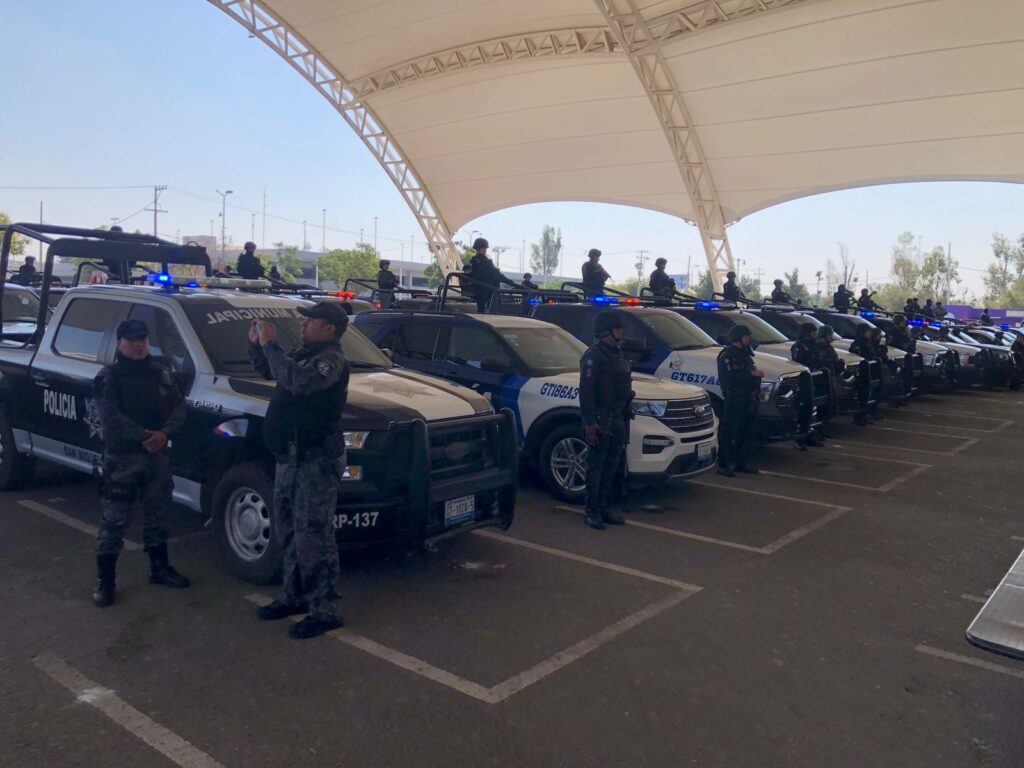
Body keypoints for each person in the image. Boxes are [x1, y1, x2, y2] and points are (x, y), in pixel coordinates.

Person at [248, 301, 350, 639]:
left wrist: (271, 345)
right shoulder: (304, 353)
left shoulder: (330, 360)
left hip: (315, 460)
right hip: (289, 459)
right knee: (289, 530)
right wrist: (257, 346)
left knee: (314, 536)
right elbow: (272, 372)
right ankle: (293, 595)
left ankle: (325, 609)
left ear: (329, 329)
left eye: (310, 320)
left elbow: (300, 382)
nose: (303, 325)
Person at [92, 319, 189, 607]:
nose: (139, 345)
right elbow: (109, 416)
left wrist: (164, 434)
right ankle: (105, 582)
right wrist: (145, 436)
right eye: (132, 340)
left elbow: (179, 406)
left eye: (143, 340)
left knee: (158, 513)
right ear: (120, 343)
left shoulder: (161, 372)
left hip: (156, 456)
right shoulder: (109, 376)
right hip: (122, 459)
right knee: (114, 521)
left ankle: (160, 569)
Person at [579, 311, 632, 530]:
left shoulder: (617, 354)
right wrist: (589, 421)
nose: (621, 332)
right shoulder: (594, 355)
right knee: (596, 466)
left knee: (612, 466)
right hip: (601, 418)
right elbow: (586, 390)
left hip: (618, 417)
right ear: (606, 331)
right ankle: (591, 511)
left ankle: (603, 508)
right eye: (617, 329)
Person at [716, 324, 764, 477]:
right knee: (729, 431)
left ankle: (740, 462)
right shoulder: (727, 355)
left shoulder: (745, 354)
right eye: (746, 336)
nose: (748, 339)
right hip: (734, 398)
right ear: (738, 338)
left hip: (748, 398)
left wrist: (757, 387)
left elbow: (751, 371)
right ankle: (723, 463)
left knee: (745, 431)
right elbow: (730, 378)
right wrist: (752, 376)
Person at [788, 323, 825, 448]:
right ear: (807, 333)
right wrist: (811, 367)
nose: (815, 334)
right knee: (803, 410)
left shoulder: (813, 345)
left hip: (814, 380)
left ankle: (809, 435)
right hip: (804, 382)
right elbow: (798, 362)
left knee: (812, 410)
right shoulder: (799, 346)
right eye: (813, 332)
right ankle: (799, 439)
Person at [465, 237, 514, 313]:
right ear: (478, 249)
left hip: (485, 289)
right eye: (483, 248)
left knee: (484, 307)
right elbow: (495, 274)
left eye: (485, 249)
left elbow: (495, 274)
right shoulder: (480, 261)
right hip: (484, 289)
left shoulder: (477, 261)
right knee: (488, 307)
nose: (485, 250)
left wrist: (509, 282)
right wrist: (509, 282)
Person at [814, 325, 843, 437]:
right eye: (830, 334)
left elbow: (834, 360)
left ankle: (825, 426)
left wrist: (839, 364)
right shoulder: (817, 347)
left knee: (831, 403)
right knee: (822, 405)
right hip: (822, 380)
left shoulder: (829, 347)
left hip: (831, 377)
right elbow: (821, 362)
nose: (831, 337)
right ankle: (819, 428)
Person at [848, 323, 876, 425]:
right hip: (861, 374)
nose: (870, 333)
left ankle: (864, 416)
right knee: (861, 396)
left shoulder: (867, 343)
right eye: (868, 331)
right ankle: (858, 418)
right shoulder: (858, 344)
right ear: (862, 332)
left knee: (866, 395)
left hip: (868, 373)